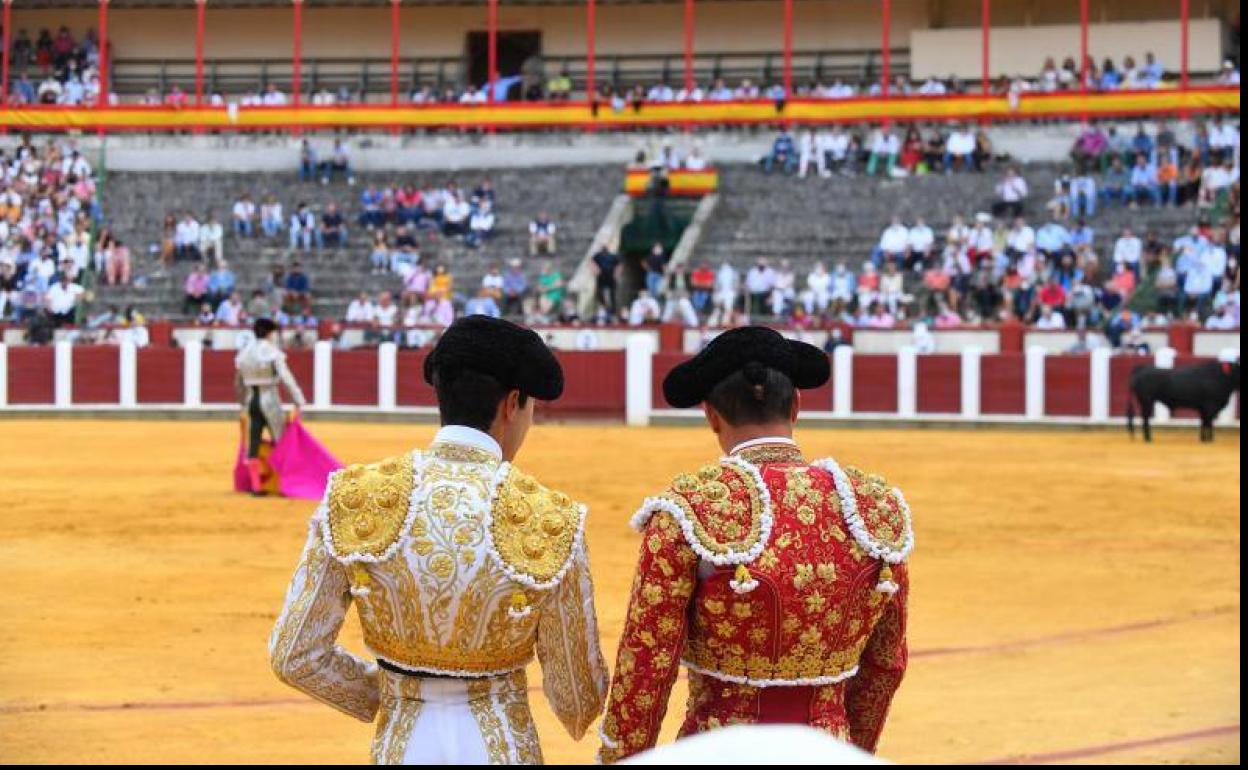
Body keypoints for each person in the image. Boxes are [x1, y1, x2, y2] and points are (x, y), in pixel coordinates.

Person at [269, 316, 609, 764]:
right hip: (501, 745)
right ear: (513, 403)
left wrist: (389, 692)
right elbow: (578, 698)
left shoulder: (356, 497)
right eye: (531, 410)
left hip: (402, 742)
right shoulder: (549, 518)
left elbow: (294, 654)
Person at [598, 326, 912, 762]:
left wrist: (623, 759)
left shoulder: (689, 511)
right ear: (797, 406)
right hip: (828, 748)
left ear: (711, 415)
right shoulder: (873, 509)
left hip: (717, 750)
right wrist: (850, 751)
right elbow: (885, 664)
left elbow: (646, 667)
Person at [233, 318, 308, 493]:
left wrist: (243, 404)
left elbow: (238, 383)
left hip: (251, 401)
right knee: (280, 441)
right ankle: (282, 484)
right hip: (271, 401)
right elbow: (287, 378)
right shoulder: (272, 352)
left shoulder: (244, 354)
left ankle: (256, 487)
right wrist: (299, 400)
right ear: (269, 333)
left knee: (253, 443)